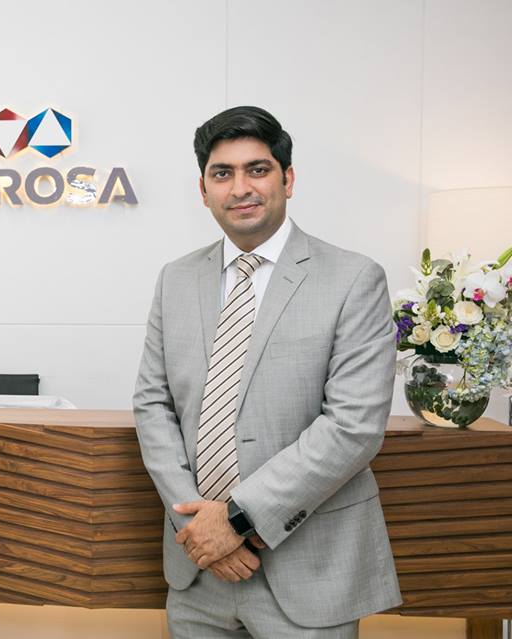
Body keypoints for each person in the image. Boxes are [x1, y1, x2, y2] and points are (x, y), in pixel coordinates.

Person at [133, 106, 400, 638]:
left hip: (306, 570)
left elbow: (353, 427)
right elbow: (153, 406)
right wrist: (199, 527)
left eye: (257, 169)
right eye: (222, 173)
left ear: (288, 179)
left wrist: (235, 520)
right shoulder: (176, 279)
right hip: (198, 571)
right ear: (203, 190)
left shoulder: (354, 279)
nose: (241, 188)